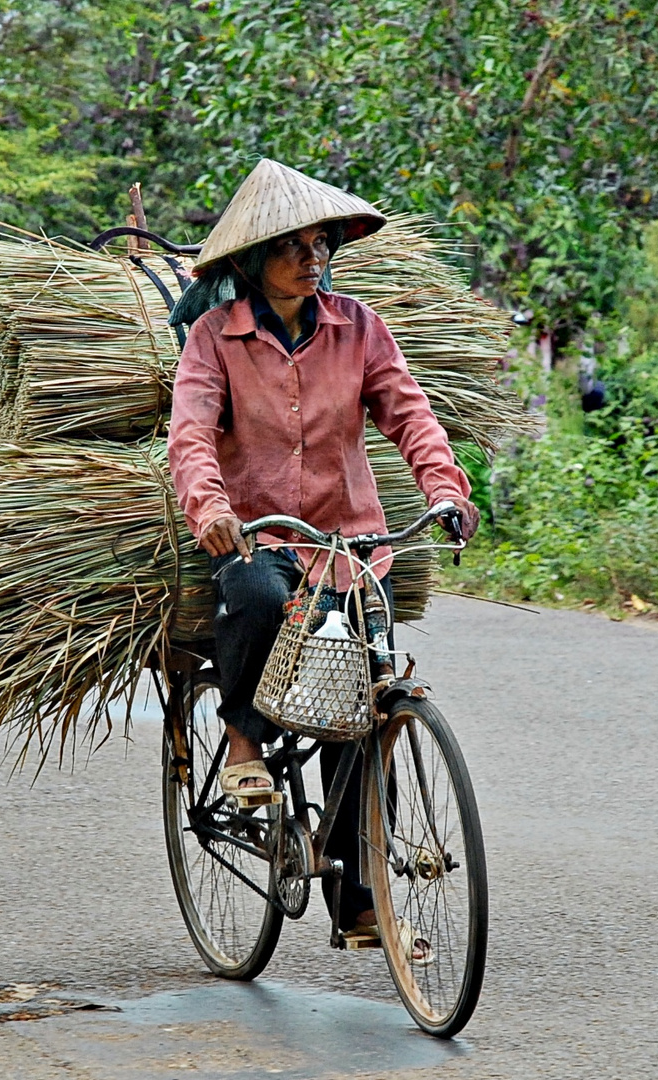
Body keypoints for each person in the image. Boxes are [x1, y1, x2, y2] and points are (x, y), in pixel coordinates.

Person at [166, 159, 480, 943]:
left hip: (348, 543)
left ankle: (358, 897)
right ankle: (242, 736)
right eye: (292, 246)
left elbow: (409, 414)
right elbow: (192, 432)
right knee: (260, 598)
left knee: (361, 710)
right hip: (257, 535)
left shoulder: (358, 327)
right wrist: (207, 508)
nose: (312, 258)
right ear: (250, 261)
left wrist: (444, 487)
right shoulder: (214, 337)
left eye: (321, 244)